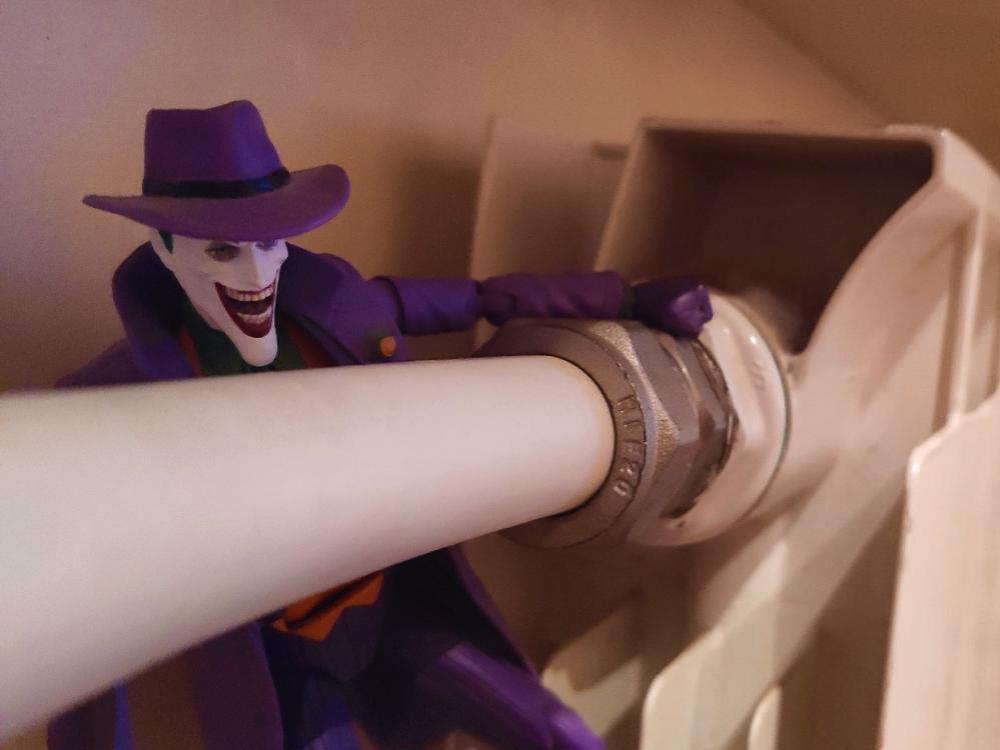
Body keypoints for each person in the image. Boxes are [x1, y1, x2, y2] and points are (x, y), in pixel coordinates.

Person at [52, 100, 712, 750]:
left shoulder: (340, 308)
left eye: (270, 244)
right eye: (222, 251)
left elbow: (483, 297)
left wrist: (628, 297)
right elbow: (76, 624)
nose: (255, 273)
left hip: (389, 609)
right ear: (165, 249)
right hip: (285, 659)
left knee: (549, 727)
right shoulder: (120, 397)